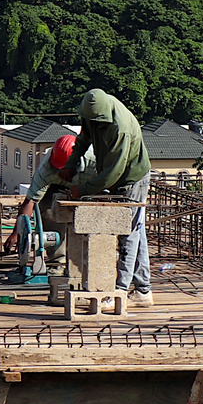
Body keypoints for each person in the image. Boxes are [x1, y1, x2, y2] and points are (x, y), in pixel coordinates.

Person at [69, 89, 154, 306]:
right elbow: (83, 139)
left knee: (128, 232)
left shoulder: (120, 128)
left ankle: (120, 292)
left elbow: (113, 173)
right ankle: (143, 290)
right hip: (116, 175)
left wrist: (84, 189)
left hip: (132, 178)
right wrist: (71, 165)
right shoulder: (93, 112)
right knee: (137, 229)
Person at [7, 133, 93, 260]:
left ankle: (83, 259)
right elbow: (30, 201)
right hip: (56, 188)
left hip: (88, 188)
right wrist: (17, 233)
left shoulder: (94, 162)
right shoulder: (46, 169)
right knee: (48, 210)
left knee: (87, 220)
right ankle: (58, 259)